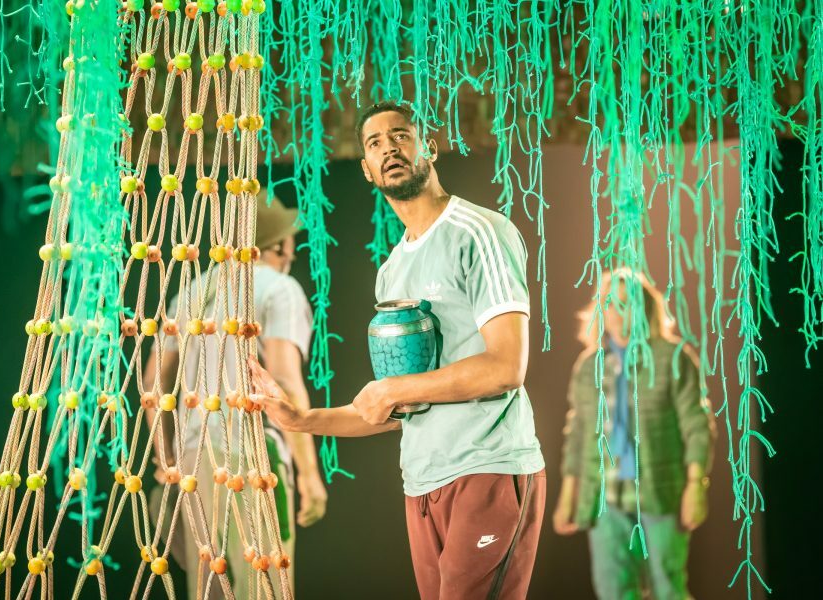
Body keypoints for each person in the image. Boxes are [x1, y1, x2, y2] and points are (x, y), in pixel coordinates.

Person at [250, 101, 546, 599]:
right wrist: (298, 419)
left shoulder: (480, 232)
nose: (389, 146)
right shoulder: (391, 272)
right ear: (366, 170)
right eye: (374, 143)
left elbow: (505, 366)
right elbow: (395, 407)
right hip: (422, 483)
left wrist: (391, 388)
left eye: (400, 135)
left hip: (488, 468)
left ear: (428, 147)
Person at [142, 192, 329, 599]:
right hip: (251, 455)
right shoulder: (278, 288)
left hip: (194, 462)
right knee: (262, 584)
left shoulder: (189, 294)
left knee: (208, 587)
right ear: (276, 245)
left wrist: (166, 454)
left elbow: (152, 385)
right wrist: (310, 474)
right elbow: (285, 381)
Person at [552, 271, 716, 600]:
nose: (618, 311)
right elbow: (578, 434)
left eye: (627, 304)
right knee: (614, 590)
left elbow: (697, 426)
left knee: (668, 588)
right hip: (605, 498)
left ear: (644, 309)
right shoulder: (589, 366)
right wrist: (568, 498)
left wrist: (695, 487)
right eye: (611, 303)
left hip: (661, 491)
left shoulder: (672, 358)